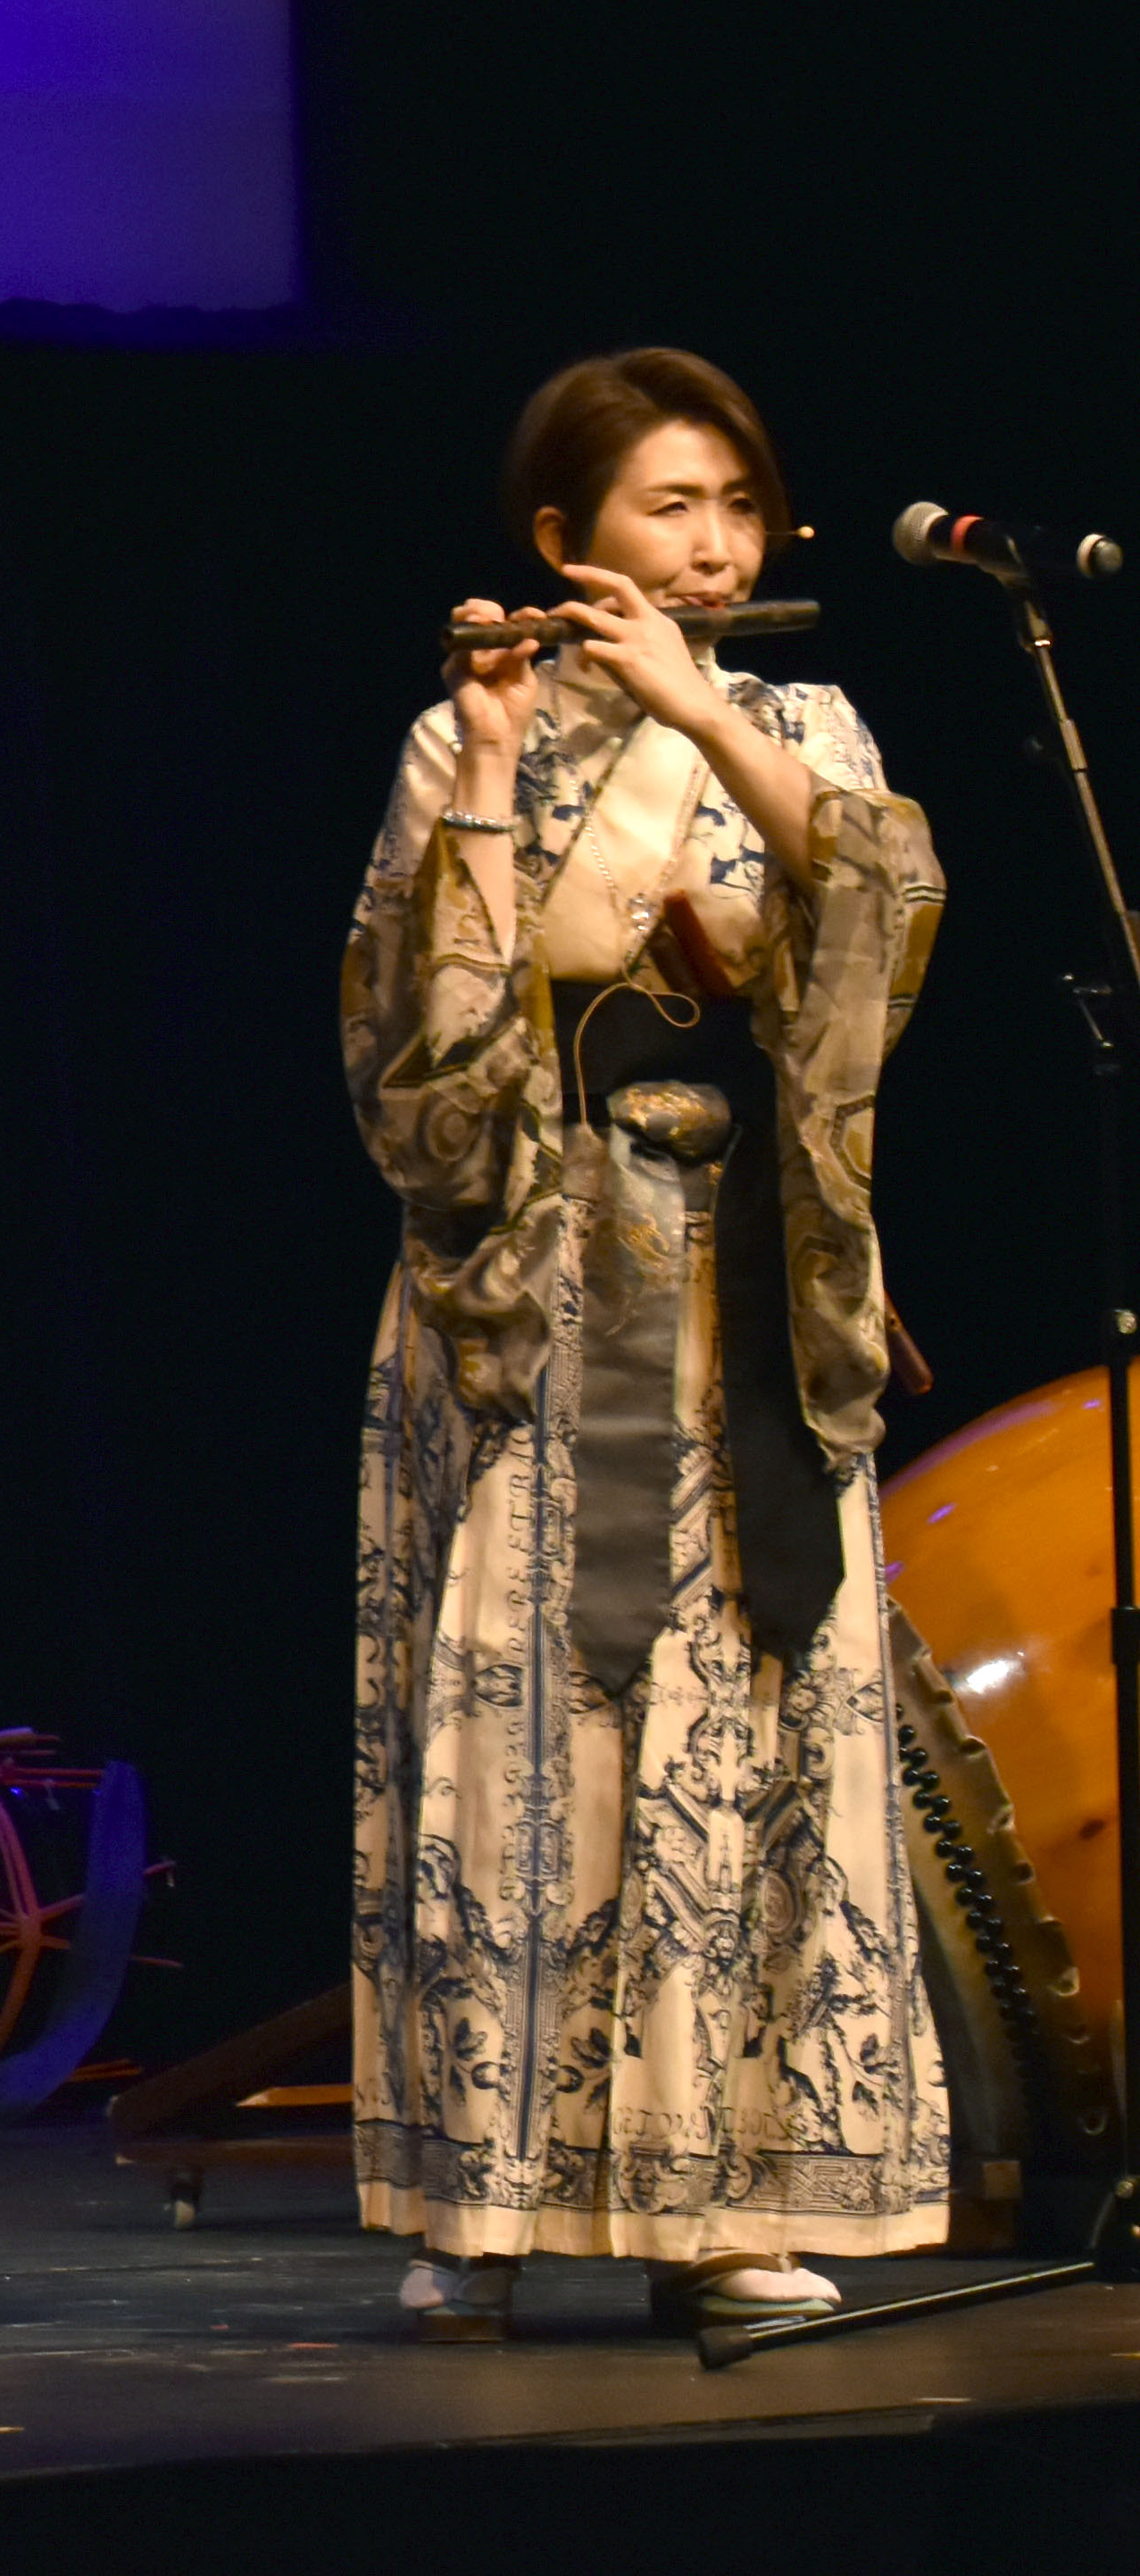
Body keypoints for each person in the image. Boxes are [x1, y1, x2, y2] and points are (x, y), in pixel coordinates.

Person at [345, 350, 952, 2339]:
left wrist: (706, 713)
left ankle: (739, 2204)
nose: (713, 543)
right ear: (559, 540)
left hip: (748, 1308)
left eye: (736, 506)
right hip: (544, 1303)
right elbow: (422, 1060)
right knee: (532, 1736)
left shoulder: (806, 721)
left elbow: (874, 945)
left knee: (745, 1736)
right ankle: (484, 2202)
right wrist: (506, 769)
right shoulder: (466, 734)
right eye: (665, 507)